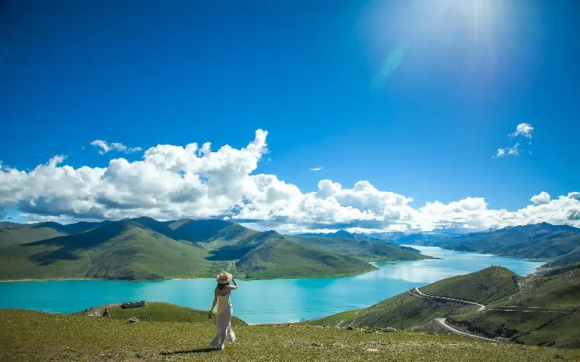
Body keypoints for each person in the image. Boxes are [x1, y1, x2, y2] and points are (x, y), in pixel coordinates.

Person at [209, 271, 238, 350]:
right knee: (225, 325)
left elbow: (215, 300)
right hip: (228, 309)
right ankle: (221, 344)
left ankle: (228, 339)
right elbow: (236, 286)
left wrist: (211, 311)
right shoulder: (228, 288)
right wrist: (232, 279)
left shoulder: (217, 289)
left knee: (221, 325)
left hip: (220, 309)